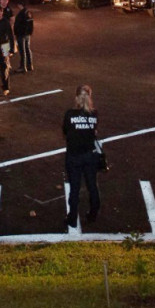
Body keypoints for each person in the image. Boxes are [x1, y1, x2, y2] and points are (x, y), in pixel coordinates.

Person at [62, 84, 100, 228]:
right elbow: (94, 132)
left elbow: (65, 132)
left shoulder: (69, 114)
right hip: (90, 156)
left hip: (74, 156)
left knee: (75, 188)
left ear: (76, 97)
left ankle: (72, 218)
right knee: (92, 186)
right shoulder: (94, 114)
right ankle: (93, 214)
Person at [13, 2, 34, 72]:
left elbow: (18, 24)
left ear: (20, 5)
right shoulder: (28, 12)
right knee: (27, 49)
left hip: (21, 34)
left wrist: (16, 32)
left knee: (22, 51)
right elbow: (31, 24)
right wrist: (29, 32)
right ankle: (29, 65)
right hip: (27, 34)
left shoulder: (22, 13)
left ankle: (23, 67)